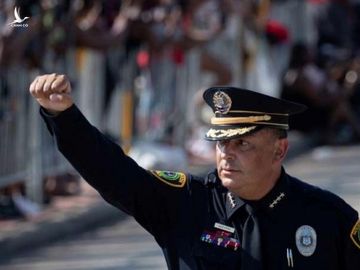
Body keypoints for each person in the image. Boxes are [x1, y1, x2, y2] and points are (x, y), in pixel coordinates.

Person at [29, 73, 360, 269]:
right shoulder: (188, 202)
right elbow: (113, 173)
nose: (227, 155)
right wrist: (64, 118)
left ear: (280, 150)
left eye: (242, 144)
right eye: (221, 144)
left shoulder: (328, 217)